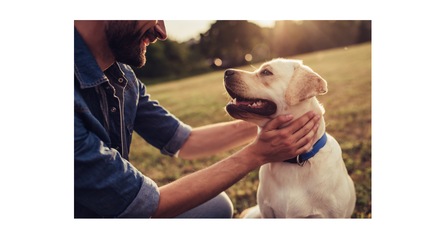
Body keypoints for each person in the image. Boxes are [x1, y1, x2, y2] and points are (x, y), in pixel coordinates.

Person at [74, 20, 321, 218]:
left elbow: (186, 141)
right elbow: (139, 205)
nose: (162, 31)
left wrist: (277, 121)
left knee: (215, 206)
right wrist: (257, 154)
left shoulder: (123, 78)